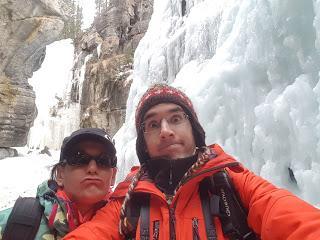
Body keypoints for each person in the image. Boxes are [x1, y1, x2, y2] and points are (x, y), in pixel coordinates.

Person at [64, 84, 320, 240]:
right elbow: (95, 232)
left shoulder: (232, 184)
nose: (165, 130)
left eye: (176, 119)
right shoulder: (128, 200)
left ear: (194, 130)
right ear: (143, 143)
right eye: (153, 124)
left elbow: (292, 218)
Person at [0, 128, 117, 239]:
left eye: (104, 160)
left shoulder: (128, 226)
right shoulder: (13, 222)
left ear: (113, 176)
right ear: (60, 174)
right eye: (80, 158)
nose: (92, 168)